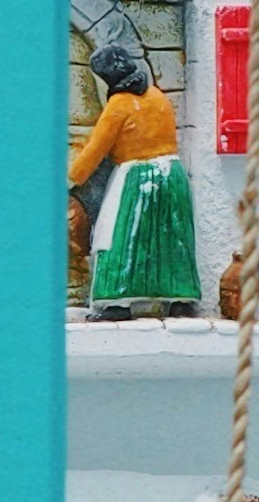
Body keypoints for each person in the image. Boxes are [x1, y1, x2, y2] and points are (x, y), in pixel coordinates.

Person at [70, 25, 197, 317]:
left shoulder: (119, 104)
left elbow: (95, 149)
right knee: (171, 237)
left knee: (121, 235)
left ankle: (117, 302)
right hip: (170, 173)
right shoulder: (157, 96)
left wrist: (72, 178)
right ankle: (180, 301)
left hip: (136, 177)